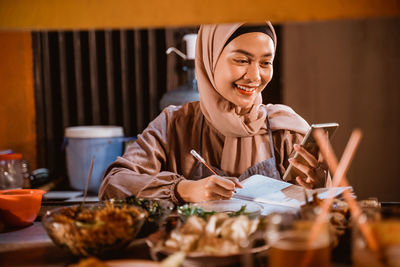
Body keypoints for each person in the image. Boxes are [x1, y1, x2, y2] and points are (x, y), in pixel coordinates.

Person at [99, 22, 330, 204]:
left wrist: (319, 189)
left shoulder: (287, 130)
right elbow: (113, 184)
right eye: (241, 60)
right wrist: (183, 189)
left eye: (265, 63)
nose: (255, 76)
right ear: (209, 60)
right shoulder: (173, 125)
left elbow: (328, 214)